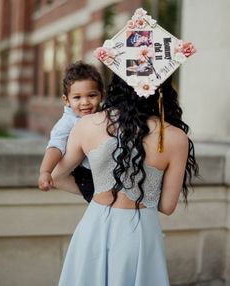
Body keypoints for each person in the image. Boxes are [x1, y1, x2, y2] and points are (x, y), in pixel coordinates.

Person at [51, 73, 198, 285]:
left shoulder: (87, 124)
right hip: (139, 234)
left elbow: (56, 177)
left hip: (94, 228)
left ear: (118, 85)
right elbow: (167, 206)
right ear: (162, 88)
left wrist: (99, 193)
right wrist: (141, 189)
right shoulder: (175, 137)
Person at [38, 61, 104, 202]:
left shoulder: (105, 114)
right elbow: (56, 146)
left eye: (92, 95)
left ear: (102, 96)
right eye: (77, 97)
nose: (85, 102)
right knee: (104, 206)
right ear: (66, 100)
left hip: (107, 169)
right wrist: (46, 171)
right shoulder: (67, 122)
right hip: (88, 175)